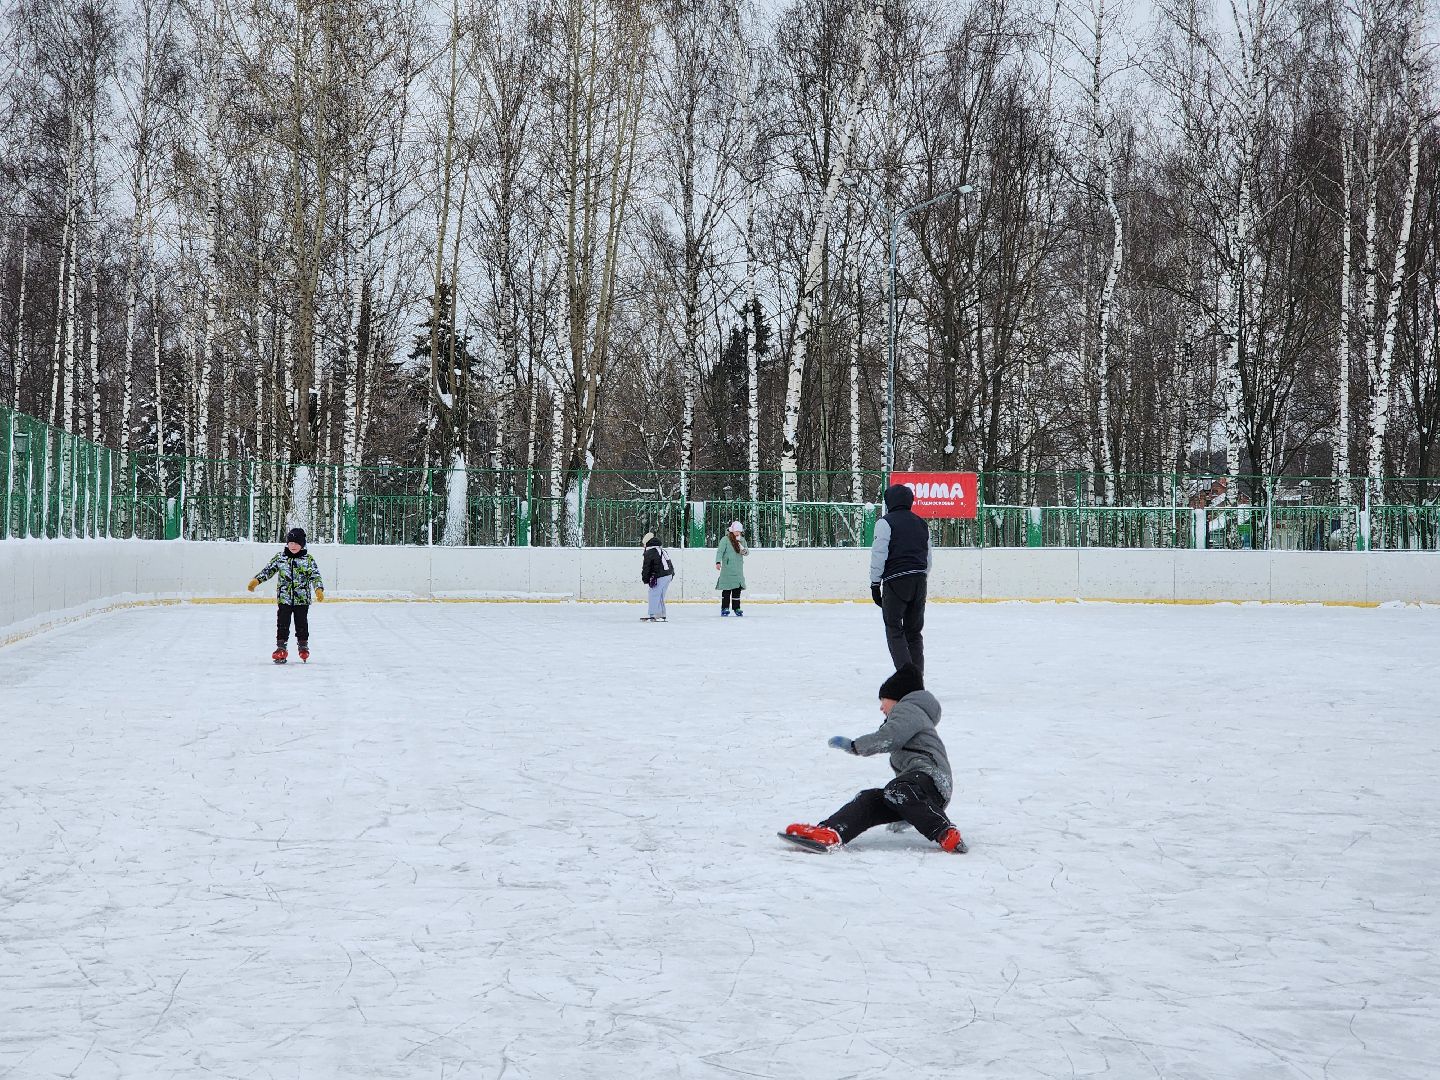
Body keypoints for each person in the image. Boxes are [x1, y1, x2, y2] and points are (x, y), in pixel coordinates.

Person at [781, 663, 966, 854]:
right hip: (918, 790)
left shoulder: (908, 709)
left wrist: (856, 746)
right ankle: (831, 832)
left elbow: (890, 737)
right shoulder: (914, 715)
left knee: (897, 789)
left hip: (931, 780)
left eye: (883, 700)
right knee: (869, 799)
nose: (881, 707)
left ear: (897, 697)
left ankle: (945, 832)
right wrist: (911, 811)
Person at [869, 483, 931, 672]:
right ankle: (917, 677)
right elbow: (928, 557)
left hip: (896, 581)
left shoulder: (885, 523)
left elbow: (879, 554)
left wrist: (875, 583)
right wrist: (921, 577)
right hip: (919, 581)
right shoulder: (921, 523)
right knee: (914, 632)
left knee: (894, 628)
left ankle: (906, 678)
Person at [247, 526, 325, 664]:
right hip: (284, 598)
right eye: (291, 543)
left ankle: (303, 645)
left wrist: (318, 589)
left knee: (301, 623)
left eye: (297, 543)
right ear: (287, 543)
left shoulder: (308, 559)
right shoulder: (280, 557)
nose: (293, 546)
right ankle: (281, 648)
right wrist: (257, 580)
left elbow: (315, 575)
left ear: (302, 544)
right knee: (282, 623)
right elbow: (268, 570)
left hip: (302, 599)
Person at [715, 520, 748, 616]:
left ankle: (737, 608)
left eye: (739, 531)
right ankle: (724, 608)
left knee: (737, 590)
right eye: (736, 531)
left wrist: (744, 551)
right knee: (727, 589)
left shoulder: (742, 540)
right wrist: (718, 562)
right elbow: (720, 551)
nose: (738, 533)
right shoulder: (725, 539)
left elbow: (747, 552)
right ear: (732, 530)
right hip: (728, 569)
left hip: (738, 569)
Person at [640, 531, 675, 622]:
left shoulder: (650, 552)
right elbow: (669, 562)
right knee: (660, 595)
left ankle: (654, 614)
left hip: (660, 575)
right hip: (668, 574)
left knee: (653, 594)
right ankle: (661, 613)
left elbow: (646, 567)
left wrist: (645, 579)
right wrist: (672, 574)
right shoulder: (662, 550)